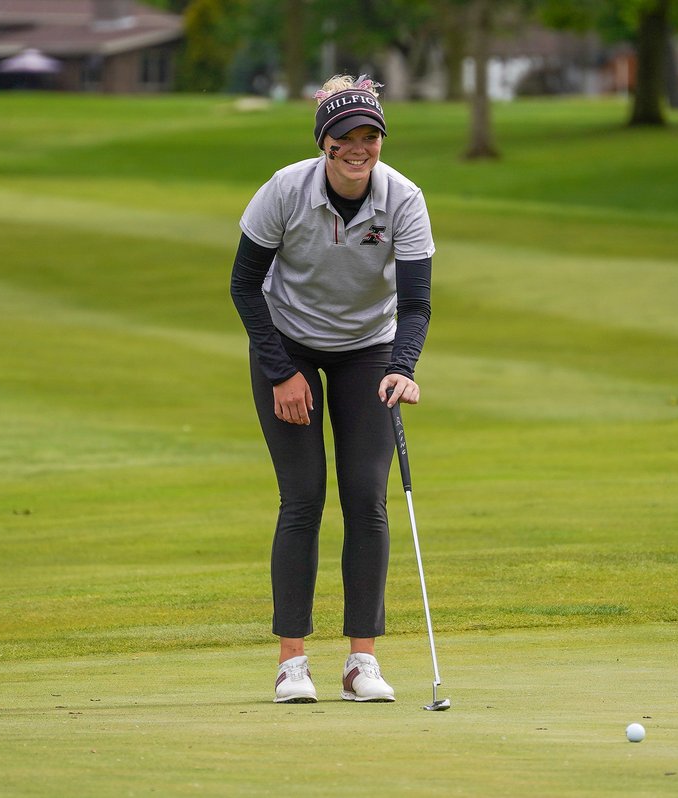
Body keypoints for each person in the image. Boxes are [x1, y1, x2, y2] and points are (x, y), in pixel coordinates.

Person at [230, 75, 435, 704]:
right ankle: (293, 663)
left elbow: (417, 303)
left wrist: (402, 366)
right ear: (324, 141)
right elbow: (244, 285)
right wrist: (280, 373)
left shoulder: (403, 198)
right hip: (288, 341)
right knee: (303, 499)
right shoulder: (285, 190)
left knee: (366, 498)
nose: (359, 147)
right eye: (346, 136)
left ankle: (360, 663)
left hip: (367, 350)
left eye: (370, 136)